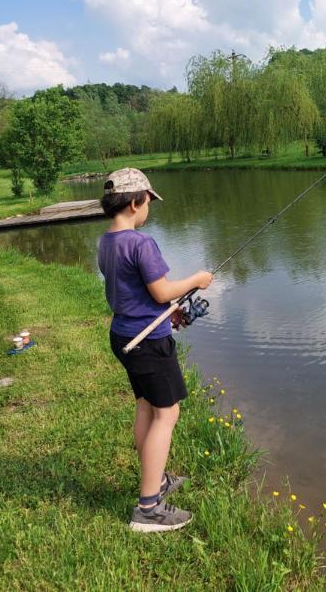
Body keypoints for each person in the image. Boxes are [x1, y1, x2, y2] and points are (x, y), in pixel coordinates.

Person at [98, 167, 213, 533]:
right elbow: (162, 291)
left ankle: (156, 479)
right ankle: (148, 507)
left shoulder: (106, 242)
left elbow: (140, 294)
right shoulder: (140, 243)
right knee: (168, 414)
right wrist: (198, 279)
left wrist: (169, 313)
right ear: (135, 203)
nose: (149, 208)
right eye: (148, 201)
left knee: (146, 406)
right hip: (147, 342)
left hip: (124, 335)